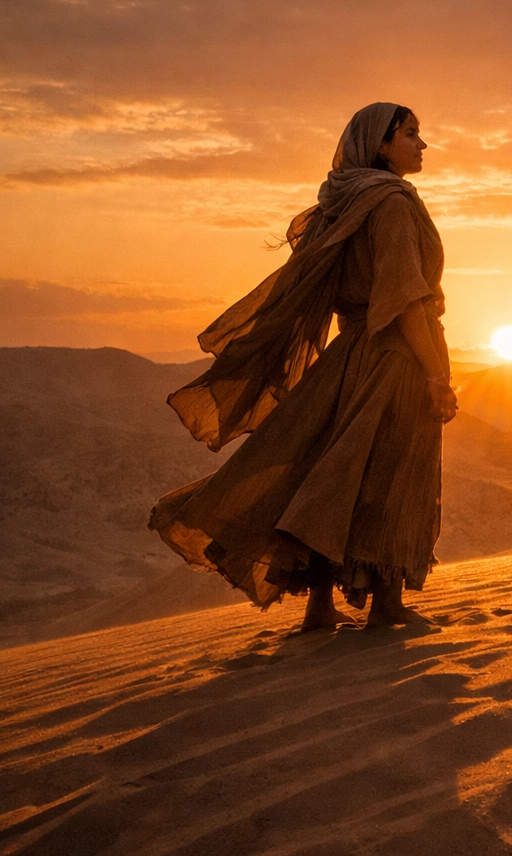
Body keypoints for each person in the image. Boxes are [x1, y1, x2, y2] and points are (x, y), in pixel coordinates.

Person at [150, 102, 458, 632]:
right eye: (411, 134)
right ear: (380, 146)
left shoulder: (340, 202)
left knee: (326, 474)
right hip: (394, 358)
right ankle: (387, 606)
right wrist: (434, 374)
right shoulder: (392, 204)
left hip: (348, 356)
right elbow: (406, 297)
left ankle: (319, 608)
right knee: (390, 476)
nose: (422, 145)